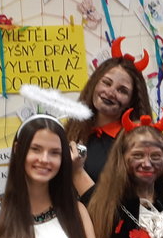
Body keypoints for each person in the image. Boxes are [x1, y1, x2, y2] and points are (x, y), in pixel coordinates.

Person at [66, 39, 154, 194]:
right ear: (94, 83)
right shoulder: (73, 130)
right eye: (106, 83)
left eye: (122, 90)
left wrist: (77, 173)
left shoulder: (133, 144)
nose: (111, 92)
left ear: (131, 101)